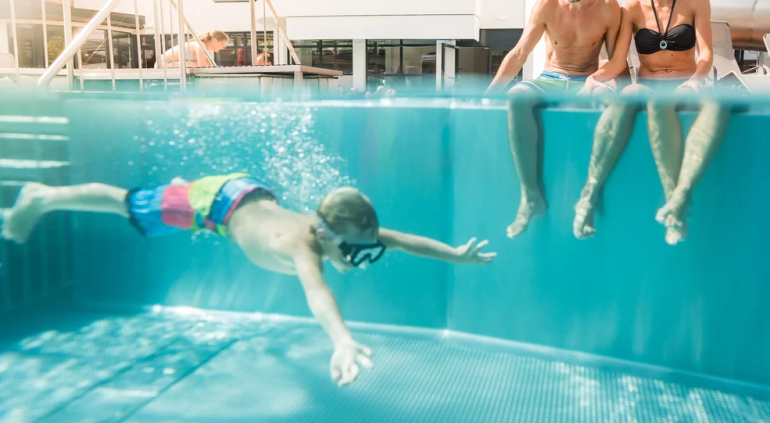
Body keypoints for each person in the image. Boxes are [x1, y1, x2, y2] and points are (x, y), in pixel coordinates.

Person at [1, 174, 495, 387]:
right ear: (324, 232)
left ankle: (174, 190)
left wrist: (456, 255)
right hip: (216, 205)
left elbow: (403, 239)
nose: (364, 247)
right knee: (128, 204)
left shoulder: (340, 229)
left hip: (245, 195)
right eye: (351, 243)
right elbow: (317, 296)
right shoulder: (305, 246)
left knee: (358, 255)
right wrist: (343, 341)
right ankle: (42, 196)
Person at [573, 0, 730, 244]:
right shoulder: (632, 7)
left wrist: (695, 82)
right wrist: (596, 78)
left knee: (718, 106)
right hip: (647, 86)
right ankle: (589, 195)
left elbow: (707, 54)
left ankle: (677, 200)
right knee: (632, 96)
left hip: (686, 83)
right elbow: (618, 61)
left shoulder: (698, 0)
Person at [486, 0, 622, 238]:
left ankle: (590, 197)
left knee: (611, 101)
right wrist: (489, 95)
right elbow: (520, 53)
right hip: (550, 78)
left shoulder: (609, 8)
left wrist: (600, 85)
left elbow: (613, 63)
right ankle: (530, 196)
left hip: (588, 80)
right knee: (517, 96)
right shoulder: (547, 4)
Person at [157, 30, 229, 68]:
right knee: (196, 65)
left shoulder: (208, 51)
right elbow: (202, 68)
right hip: (163, 64)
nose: (222, 48)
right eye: (222, 45)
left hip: (172, 64)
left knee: (199, 64)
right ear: (215, 40)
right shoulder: (200, 46)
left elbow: (212, 67)